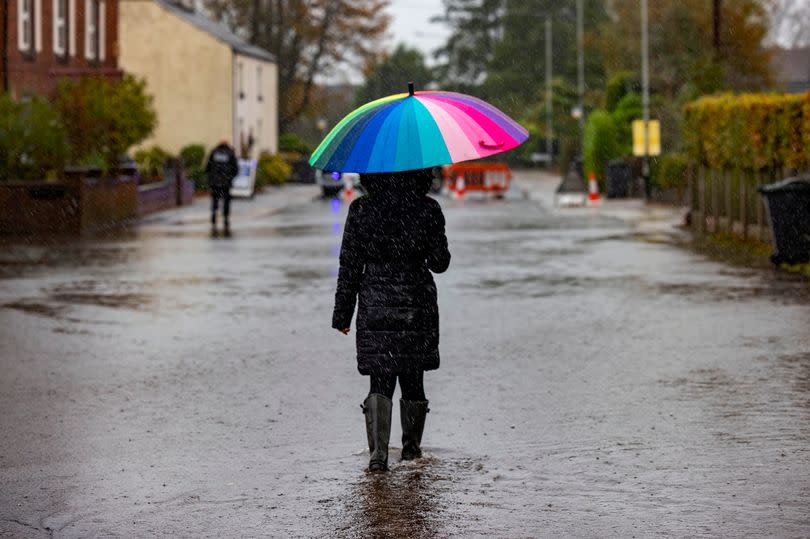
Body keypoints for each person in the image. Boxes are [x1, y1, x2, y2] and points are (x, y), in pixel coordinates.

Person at [332, 168, 451, 472]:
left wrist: (342, 313)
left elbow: (350, 265)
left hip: (376, 303)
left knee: (381, 380)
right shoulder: (428, 209)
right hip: (415, 305)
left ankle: (378, 457)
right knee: (413, 379)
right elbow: (440, 263)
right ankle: (411, 454)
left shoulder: (361, 209)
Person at [205, 140, 239, 235]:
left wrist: (210, 178)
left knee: (215, 199)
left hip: (215, 182)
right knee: (226, 200)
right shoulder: (230, 153)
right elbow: (235, 169)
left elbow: (207, 167)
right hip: (226, 183)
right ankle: (226, 218)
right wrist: (231, 178)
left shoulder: (214, 152)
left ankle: (214, 216)